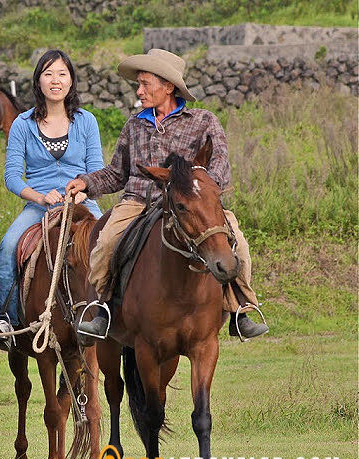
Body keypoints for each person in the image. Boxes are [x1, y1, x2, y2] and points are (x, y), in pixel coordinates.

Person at [65, 48, 269, 341]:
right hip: (137, 202)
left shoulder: (203, 121)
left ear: (169, 86)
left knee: (238, 244)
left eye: (145, 83)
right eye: (138, 84)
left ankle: (241, 309)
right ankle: (102, 312)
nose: (139, 90)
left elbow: (220, 168)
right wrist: (85, 183)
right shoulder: (134, 125)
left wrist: (197, 192)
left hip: (193, 205)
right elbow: (116, 174)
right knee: (106, 243)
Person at [0, 49, 104, 336]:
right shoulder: (22, 124)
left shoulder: (87, 121)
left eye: (62, 74)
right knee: (9, 245)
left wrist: (83, 192)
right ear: (38, 81)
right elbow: (12, 176)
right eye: (48, 74)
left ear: (71, 81)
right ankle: (6, 316)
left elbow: (97, 169)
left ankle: (113, 312)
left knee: (111, 242)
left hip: (82, 203)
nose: (56, 80)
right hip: (40, 207)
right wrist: (39, 197)